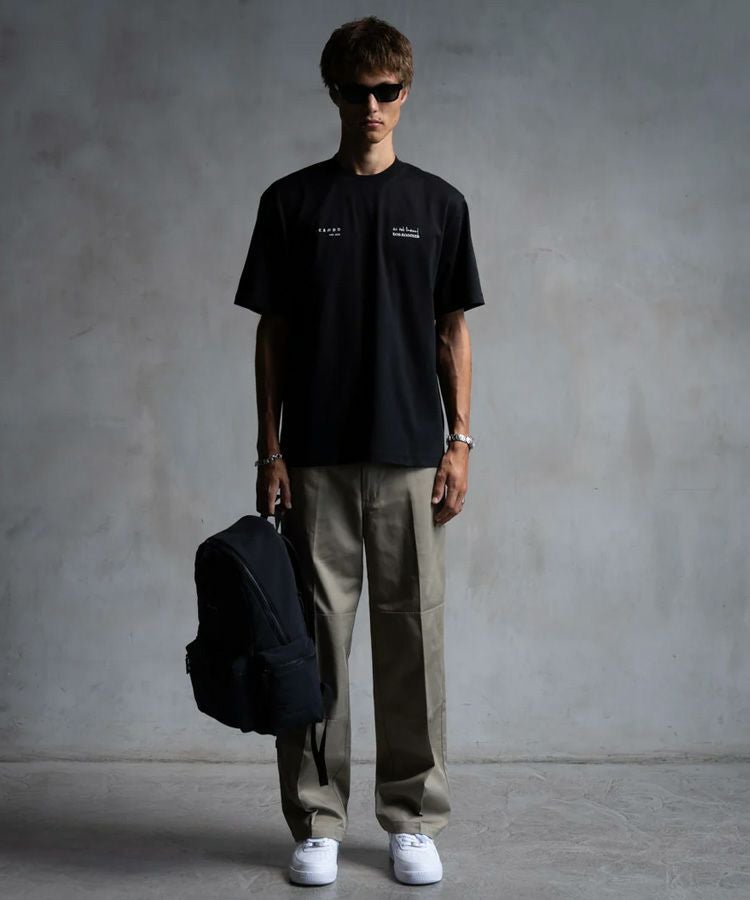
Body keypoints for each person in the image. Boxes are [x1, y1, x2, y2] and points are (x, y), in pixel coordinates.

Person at [233, 15, 485, 887]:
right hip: (314, 461)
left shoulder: (439, 205)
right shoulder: (292, 203)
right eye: (354, 91)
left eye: (385, 91)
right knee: (314, 647)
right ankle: (317, 820)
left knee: (413, 643)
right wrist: (269, 450)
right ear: (333, 94)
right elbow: (272, 335)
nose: (370, 106)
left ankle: (412, 818)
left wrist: (460, 441)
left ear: (404, 94)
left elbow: (453, 332)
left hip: (412, 456)